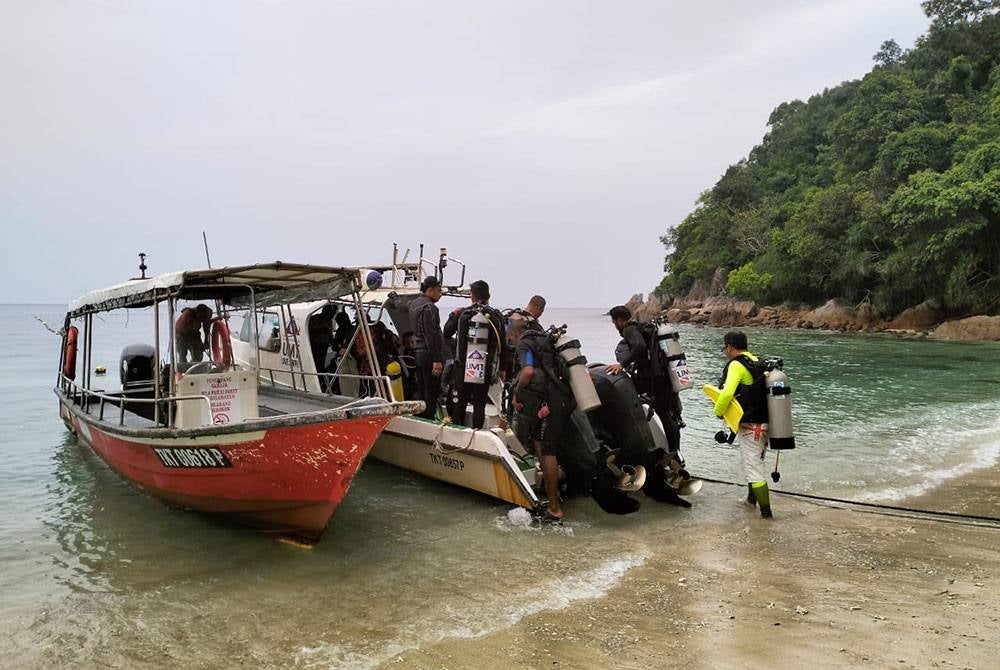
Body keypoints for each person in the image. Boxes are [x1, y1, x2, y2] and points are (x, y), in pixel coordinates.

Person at [508, 318, 573, 521]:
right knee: (543, 445)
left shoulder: (524, 344)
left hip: (549, 403)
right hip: (562, 398)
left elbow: (527, 371)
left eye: (510, 338)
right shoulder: (543, 341)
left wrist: (517, 393)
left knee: (546, 450)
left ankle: (554, 509)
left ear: (513, 335)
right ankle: (556, 496)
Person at [604, 306, 683, 457]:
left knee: (624, 397)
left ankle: (634, 441)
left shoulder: (629, 329)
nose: (615, 326)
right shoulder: (641, 327)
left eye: (614, 322)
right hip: (664, 376)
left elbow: (640, 345)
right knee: (666, 416)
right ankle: (675, 453)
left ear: (619, 320)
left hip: (652, 378)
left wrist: (622, 365)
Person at [713, 331, 773, 518]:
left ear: (730, 346)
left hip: (751, 427)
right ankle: (750, 501)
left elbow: (727, 393)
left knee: (754, 469)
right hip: (765, 424)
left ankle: (766, 516)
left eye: (725, 348)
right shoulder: (757, 361)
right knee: (753, 463)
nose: (725, 352)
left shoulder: (737, 365)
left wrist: (718, 411)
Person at [442, 280, 509, 429]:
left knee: (461, 400)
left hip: (464, 366)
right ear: (488, 295)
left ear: (472, 296)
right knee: (480, 403)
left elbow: (446, 332)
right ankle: (477, 431)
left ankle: (457, 430)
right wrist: (503, 368)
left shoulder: (464, 314)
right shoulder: (495, 316)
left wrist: (453, 314)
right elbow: (503, 345)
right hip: (485, 366)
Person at [408, 276, 445, 419]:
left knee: (422, 389)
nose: (440, 294)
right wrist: (436, 359)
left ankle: (420, 417)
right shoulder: (430, 307)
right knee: (432, 391)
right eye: (438, 291)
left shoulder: (413, 304)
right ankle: (428, 419)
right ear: (430, 290)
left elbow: (400, 305)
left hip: (418, 352)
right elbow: (431, 334)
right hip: (429, 354)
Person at [308, 304, 335, 391]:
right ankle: (318, 383)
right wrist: (323, 328)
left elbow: (330, 335)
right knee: (317, 366)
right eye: (331, 313)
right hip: (314, 346)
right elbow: (310, 331)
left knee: (322, 366)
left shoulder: (329, 321)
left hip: (324, 347)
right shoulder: (315, 319)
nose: (332, 315)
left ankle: (322, 383)